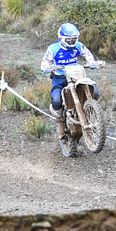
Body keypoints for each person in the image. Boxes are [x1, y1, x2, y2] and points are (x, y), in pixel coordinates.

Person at [40, 22, 99, 154]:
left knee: (94, 91)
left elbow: (87, 54)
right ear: (62, 38)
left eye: (74, 39)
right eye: (69, 39)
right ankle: (60, 121)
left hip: (76, 75)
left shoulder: (78, 46)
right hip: (60, 77)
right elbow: (45, 63)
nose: (72, 41)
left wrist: (92, 63)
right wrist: (47, 67)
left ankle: (89, 110)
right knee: (56, 99)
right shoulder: (53, 48)